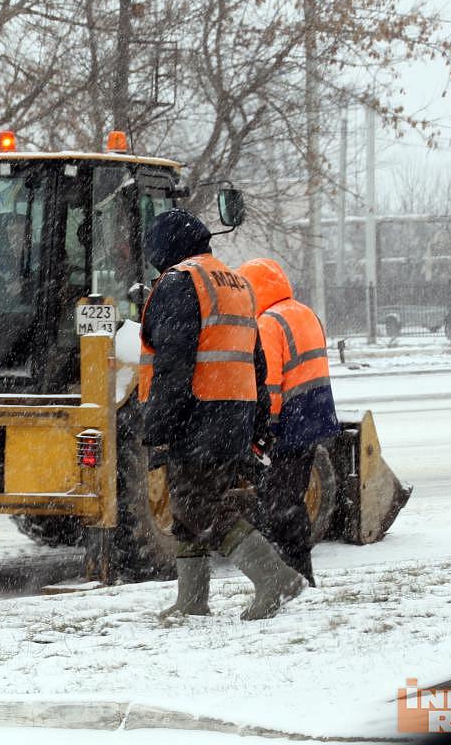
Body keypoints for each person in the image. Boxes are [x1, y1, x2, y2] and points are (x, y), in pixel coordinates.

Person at [138, 210, 305, 621]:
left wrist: (158, 425)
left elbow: (173, 363)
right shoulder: (236, 284)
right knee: (188, 506)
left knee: (204, 509)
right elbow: (257, 362)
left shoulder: (180, 283)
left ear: (167, 247)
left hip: (195, 416)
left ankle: (275, 578)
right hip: (234, 414)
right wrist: (260, 422)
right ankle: (192, 600)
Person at [237, 258, 339, 586]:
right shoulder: (304, 313)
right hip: (315, 417)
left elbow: (270, 385)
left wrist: (264, 431)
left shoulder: (268, 324)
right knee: (292, 497)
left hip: (289, 425)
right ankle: (298, 573)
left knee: (280, 505)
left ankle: (294, 575)